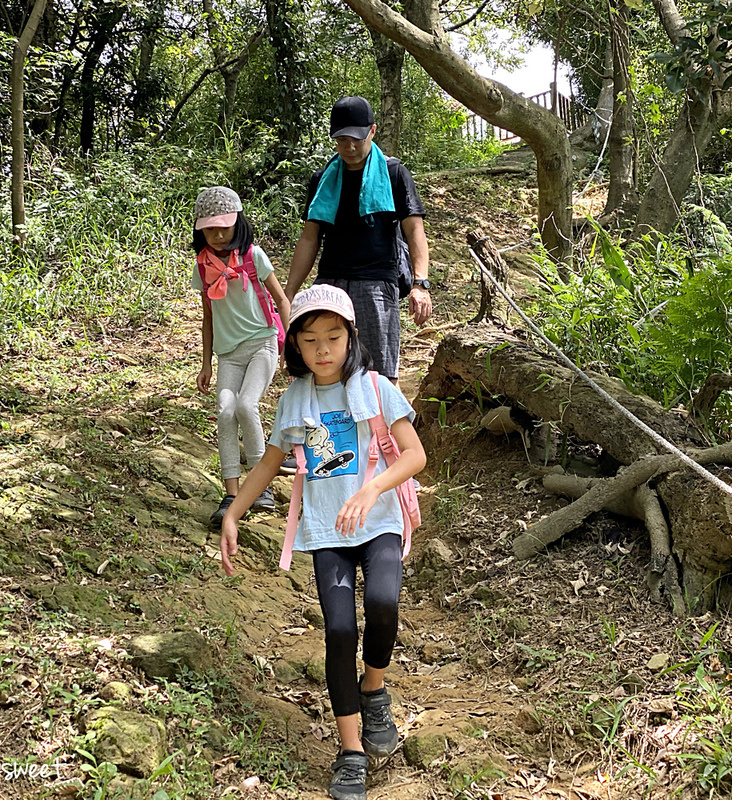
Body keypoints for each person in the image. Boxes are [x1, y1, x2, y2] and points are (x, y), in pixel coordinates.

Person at [218, 285, 426, 800]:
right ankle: (351, 749)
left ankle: (373, 687)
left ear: (351, 337)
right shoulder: (294, 399)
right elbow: (269, 463)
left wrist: (373, 487)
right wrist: (234, 513)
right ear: (295, 347)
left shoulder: (377, 388)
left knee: (382, 603)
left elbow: (414, 455)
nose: (323, 349)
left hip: (378, 521)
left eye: (333, 336)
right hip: (326, 532)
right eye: (310, 340)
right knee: (338, 631)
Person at [287, 95, 433, 385]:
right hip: (330, 282)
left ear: (372, 132)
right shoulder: (324, 178)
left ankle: (382, 431)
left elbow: (415, 231)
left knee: (378, 374)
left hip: (376, 282)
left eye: (357, 138)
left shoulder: (393, 174)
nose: (350, 147)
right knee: (325, 368)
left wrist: (420, 284)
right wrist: (289, 293)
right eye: (342, 140)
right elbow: (309, 238)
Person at [191, 186, 292, 528]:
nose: (218, 235)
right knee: (224, 411)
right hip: (229, 354)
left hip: (262, 343)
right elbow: (208, 316)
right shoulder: (202, 267)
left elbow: (281, 299)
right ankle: (232, 493)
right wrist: (206, 362)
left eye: (224, 226)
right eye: (209, 228)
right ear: (199, 230)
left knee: (247, 406)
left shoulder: (254, 257)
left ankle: (259, 485)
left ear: (238, 223)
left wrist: (289, 346)